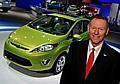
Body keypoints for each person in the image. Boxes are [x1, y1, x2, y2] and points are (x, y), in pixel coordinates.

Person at [60, 14, 120, 84]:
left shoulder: (115, 57)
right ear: (88, 28)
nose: (96, 32)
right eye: (93, 28)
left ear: (107, 31)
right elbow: (65, 76)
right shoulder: (75, 47)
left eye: (101, 29)